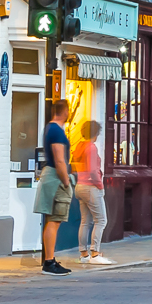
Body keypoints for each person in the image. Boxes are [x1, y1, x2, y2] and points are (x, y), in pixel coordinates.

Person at [36, 98, 74, 274]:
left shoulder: (49, 129)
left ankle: (49, 260)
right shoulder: (57, 131)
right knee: (55, 220)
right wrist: (66, 181)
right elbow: (60, 159)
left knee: (52, 220)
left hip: (50, 176)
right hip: (56, 178)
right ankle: (49, 262)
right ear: (65, 111)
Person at [73, 118, 108, 263]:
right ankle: (95, 252)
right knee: (101, 220)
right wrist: (100, 185)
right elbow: (93, 170)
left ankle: (83, 253)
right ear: (95, 133)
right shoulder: (91, 148)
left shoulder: (79, 147)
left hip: (80, 185)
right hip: (91, 187)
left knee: (85, 221)